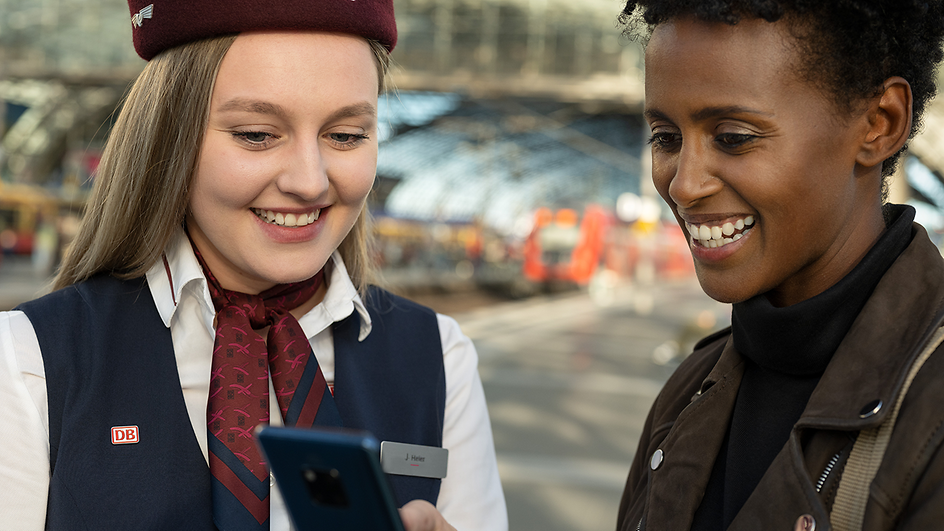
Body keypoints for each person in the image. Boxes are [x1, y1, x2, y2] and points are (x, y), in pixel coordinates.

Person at [0, 1, 507, 530]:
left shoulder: (442, 360)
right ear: (169, 138)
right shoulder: (29, 363)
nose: (309, 181)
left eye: (346, 136)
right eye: (257, 135)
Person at [615, 1, 944, 530]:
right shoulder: (687, 393)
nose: (683, 184)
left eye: (734, 138)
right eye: (666, 138)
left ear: (880, 124)